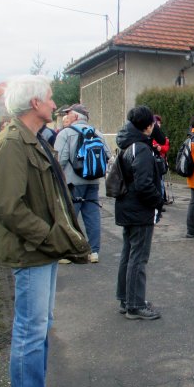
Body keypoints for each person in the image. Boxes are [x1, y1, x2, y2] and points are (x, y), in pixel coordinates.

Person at [0, 75, 90, 387]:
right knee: (30, 330)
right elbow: (6, 206)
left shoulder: (31, 138)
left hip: (42, 251)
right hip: (31, 250)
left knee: (41, 325)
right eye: (49, 98)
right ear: (34, 103)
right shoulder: (12, 143)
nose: (54, 104)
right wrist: (50, 237)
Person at [114, 106, 165, 319]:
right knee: (138, 256)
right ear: (148, 126)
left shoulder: (128, 143)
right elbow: (144, 184)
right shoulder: (141, 148)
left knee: (128, 253)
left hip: (127, 206)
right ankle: (135, 304)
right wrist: (158, 201)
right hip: (139, 208)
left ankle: (126, 298)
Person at [54, 103, 110, 263]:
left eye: (69, 114)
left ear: (76, 116)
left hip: (72, 181)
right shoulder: (97, 133)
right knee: (92, 214)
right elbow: (107, 154)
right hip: (92, 180)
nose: (66, 116)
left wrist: (57, 178)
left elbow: (61, 159)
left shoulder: (65, 133)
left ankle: (69, 252)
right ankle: (94, 252)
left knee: (70, 216)